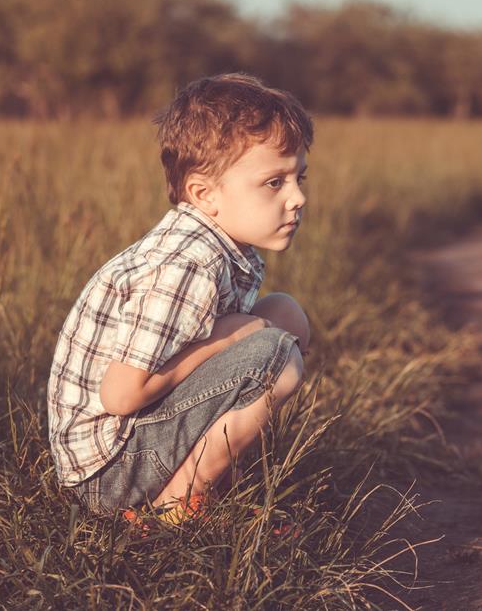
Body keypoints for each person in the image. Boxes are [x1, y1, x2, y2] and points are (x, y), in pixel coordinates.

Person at [46, 73, 313, 524]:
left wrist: (230, 337)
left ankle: (210, 476)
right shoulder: (187, 265)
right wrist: (225, 339)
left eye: (298, 178)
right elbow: (121, 395)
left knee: (284, 315)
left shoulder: (223, 245)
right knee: (274, 356)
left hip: (133, 441)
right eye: (274, 183)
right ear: (204, 194)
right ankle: (178, 503)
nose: (298, 197)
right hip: (107, 473)